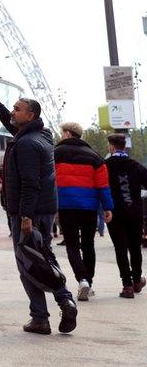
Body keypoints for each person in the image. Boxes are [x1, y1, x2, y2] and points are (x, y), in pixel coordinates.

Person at [0, 85, 77, 335]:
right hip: (45, 209)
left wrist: (25, 216)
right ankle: (65, 300)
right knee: (44, 257)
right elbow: (13, 126)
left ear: (31, 116)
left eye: (17, 109)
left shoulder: (27, 144)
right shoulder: (41, 136)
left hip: (28, 212)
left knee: (28, 264)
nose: (13, 113)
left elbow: (31, 183)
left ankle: (40, 317)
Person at [53, 121, 113, 301]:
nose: (61, 135)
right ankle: (89, 282)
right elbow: (103, 185)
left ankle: (82, 280)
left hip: (66, 206)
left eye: (62, 132)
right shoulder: (94, 156)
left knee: (72, 245)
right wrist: (107, 207)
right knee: (88, 245)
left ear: (68, 133)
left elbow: (49, 180)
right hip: (89, 207)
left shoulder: (56, 153)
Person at [103, 134, 146, 298]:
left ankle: (126, 285)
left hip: (115, 214)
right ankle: (136, 280)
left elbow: (101, 186)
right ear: (124, 146)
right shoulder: (136, 166)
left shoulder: (105, 166)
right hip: (134, 213)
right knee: (135, 248)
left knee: (120, 248)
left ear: (111, 147)